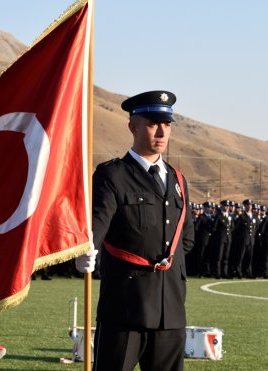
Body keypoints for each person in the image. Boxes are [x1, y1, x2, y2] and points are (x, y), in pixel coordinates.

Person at [76, 90, 194, 371]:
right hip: (125, 308)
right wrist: (85, 249)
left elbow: (186, 240)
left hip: (170, 309)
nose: (162, 132)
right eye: (153, 124)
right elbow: (95, 227)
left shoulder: (178, 179)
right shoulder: (113, 175)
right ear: (133, 126)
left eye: (167, 125)